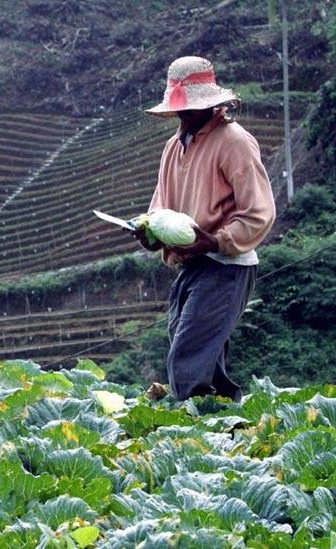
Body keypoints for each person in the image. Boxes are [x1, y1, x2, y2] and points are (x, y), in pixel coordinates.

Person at [135, 56, 276, 403]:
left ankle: (192, 425)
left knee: (189, 352)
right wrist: (150, 233)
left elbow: (259, 211)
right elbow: (160, 208)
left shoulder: (234, 141)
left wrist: (215, 240)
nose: (184, 115)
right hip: (192, 264)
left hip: (227, 264)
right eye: (181, 109)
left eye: (191, 108)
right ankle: (227, 417)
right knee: (199, 350)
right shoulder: (173, 147)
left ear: (212, 104)